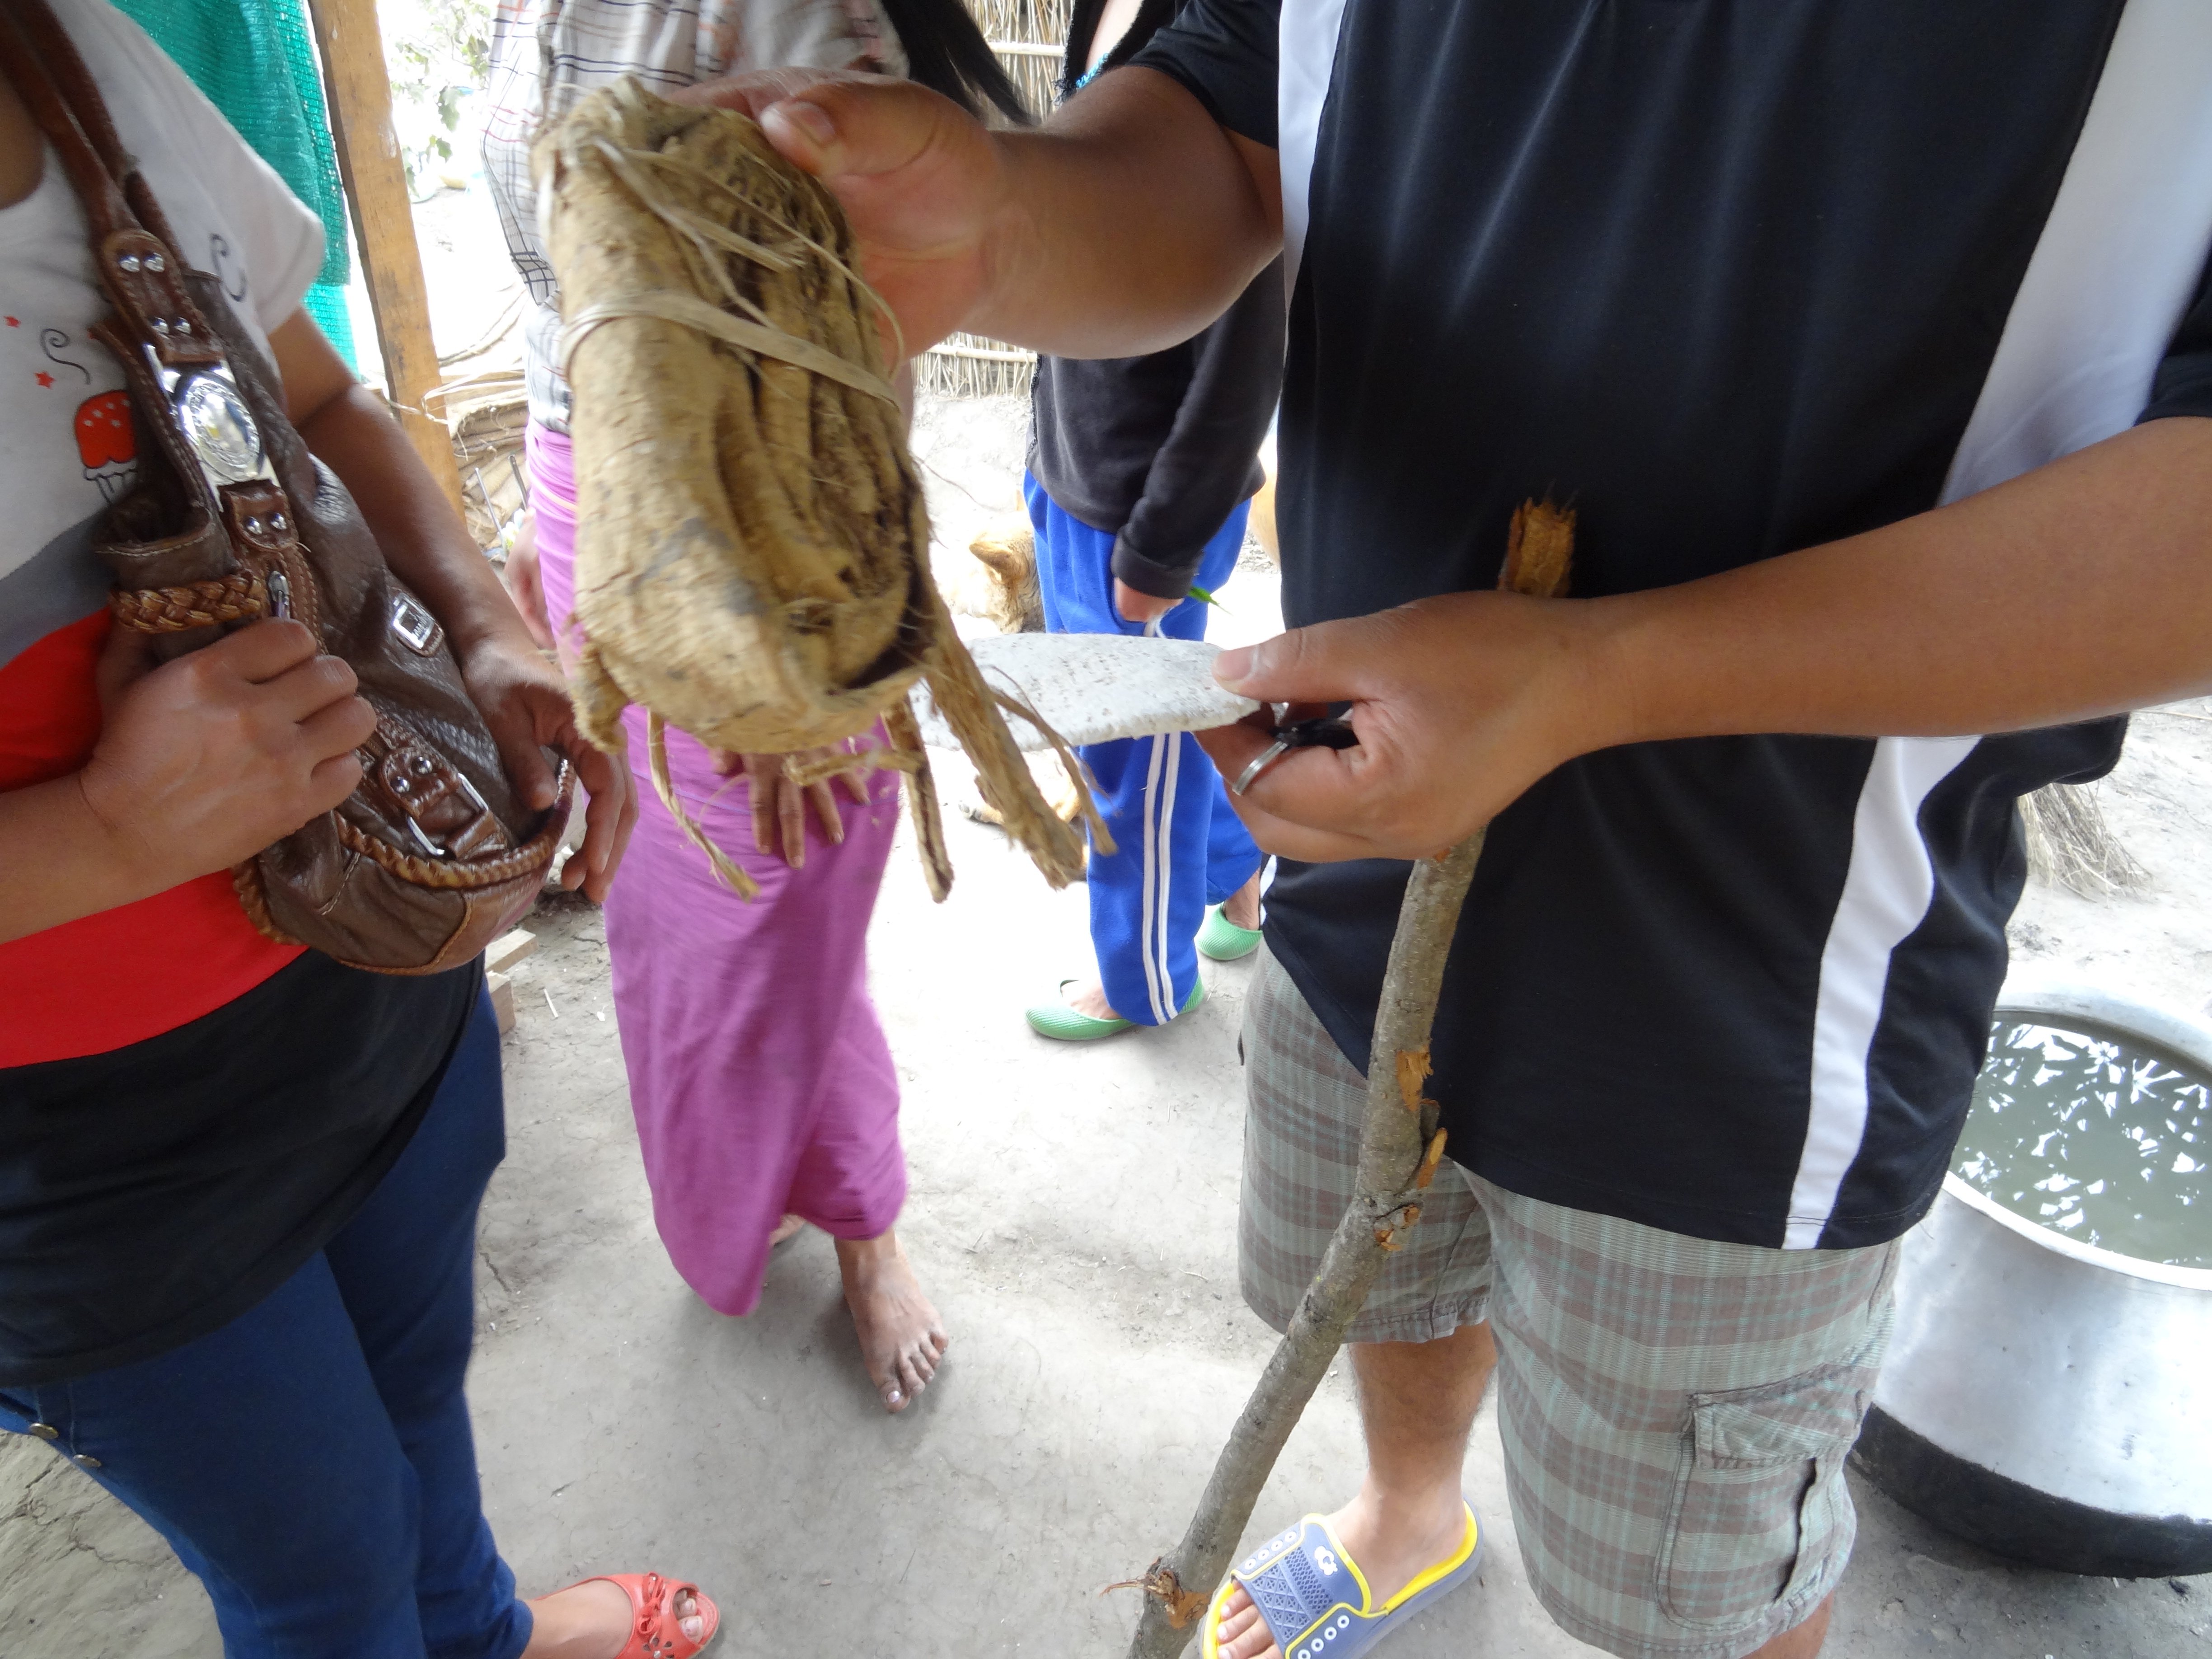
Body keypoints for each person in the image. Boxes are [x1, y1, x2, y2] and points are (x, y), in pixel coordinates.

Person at [688, 6, 2212, 1657]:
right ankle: (1407, 1511)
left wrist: (1597, 673)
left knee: (1692, 1583)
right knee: (1381, 1261)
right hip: (1355, 826)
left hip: (1758, 992)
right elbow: (1226, 119)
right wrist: (996, 220)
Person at [0, 3, 730, 1656]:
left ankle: (474, 1629)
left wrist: (479, 624)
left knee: (416, 1399)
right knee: (319, 1579)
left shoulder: (76, 58)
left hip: (374, 972)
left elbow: (319, 395)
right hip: (90, 1173)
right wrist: (113, 832)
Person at [481, 0, 1028, 1413]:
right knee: (672, 934)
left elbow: (854, 344)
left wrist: (794, 662)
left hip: (772, 537)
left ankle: (862, 1223)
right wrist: (537, 559)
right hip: (591, 489)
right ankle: (753, 1187)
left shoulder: (791, 20)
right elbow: (575, 310)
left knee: (775, 937)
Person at [1017, 0, 1282, 1041]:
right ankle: (1240, 880)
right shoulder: (1099, 11)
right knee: (1142, 740)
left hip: (1149, 508)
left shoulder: (1232, 33)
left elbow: (1246, 349)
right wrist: (1044, 463)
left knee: (1139, 765)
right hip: (1077, 470)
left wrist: (1165, 544)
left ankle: (1146, 984)